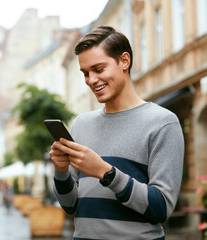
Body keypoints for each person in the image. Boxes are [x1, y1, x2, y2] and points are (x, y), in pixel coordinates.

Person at [50, 26, 184, 240]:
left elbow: (162, 208)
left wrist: (106, 172)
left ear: (124, 61)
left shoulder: (163, 123)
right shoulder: (81, 124)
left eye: (99, 69)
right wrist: (61, 171)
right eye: (85, 73)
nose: (91, 80)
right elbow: (70, 206)